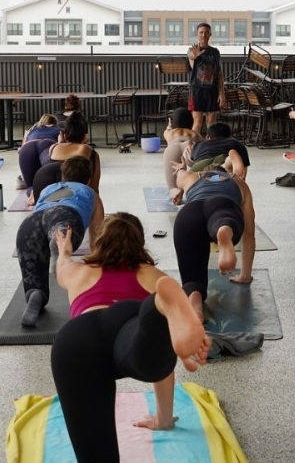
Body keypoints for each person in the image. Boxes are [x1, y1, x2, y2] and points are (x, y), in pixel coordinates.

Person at [50, 214, 210, 463]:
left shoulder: (76, 271)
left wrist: (64, 249)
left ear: (99, 243)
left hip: (77, 340)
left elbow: (62, 263)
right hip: (129, 324)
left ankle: (158, 311)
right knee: (151, 342)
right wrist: (163, 420)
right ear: (140, 245)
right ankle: (157, 308)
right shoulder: (153, 275)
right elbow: (162, 372)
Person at [16, 156, 105, 327]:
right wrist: (96, 268)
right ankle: (60, 242)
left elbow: (42, 212)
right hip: (65, 216)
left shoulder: (48, 189)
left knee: (34, 276)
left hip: (29, 225)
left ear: (63, 176)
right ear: (88, 179)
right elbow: (97, 237)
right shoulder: (91, 194)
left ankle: (36, 294)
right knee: (60, 229)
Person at [171, 166, 257, 319]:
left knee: (192, 281)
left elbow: (177, 178)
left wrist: (178, 190)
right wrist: (245, 275)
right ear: (225, 172)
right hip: (222, 206)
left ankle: (195, 302)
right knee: (224, 221)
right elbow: (249, 234)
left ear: (204, 171)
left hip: (189, 213)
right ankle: (223, 232)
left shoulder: (191, 176)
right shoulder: (237, 181)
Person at [19, 112, 101, 207]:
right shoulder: (90, 151)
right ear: (85, 137)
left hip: (41, 182)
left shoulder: (53, 147)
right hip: (58, 188)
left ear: (65, 136)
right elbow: (94, 189)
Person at [186, 23, 224, 134]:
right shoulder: (192, 50)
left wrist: (222, 93)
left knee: (211, 124)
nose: (204, 35)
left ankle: (209, 147)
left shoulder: (215, 52)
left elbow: (219, 73)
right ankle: (193, 147)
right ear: (197, 34)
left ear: (210, 34)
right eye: (201, 32)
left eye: (206, 32)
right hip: (197, 90)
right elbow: (191, 56)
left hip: (212, 90)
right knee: (197, 122)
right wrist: (195, 55)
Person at [182, 122, 249, 180]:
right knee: (227, 164)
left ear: (208, 137)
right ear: (229, 136)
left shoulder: (199, 145)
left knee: (188, 178)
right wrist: (242, 181)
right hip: (221, 163)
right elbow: (244, 167)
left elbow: (192, 159)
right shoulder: (235, 143)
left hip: (200, 166)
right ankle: (230, 162)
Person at [162, 108, 201, 190]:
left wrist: (169, 126)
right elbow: (202, 144)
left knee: (172, 188)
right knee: (193, 180)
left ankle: (175, 192)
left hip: (173, 148)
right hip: (190, 146)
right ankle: (189, 189)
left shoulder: (170, 133)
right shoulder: (195, 134)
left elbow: (167, 130)